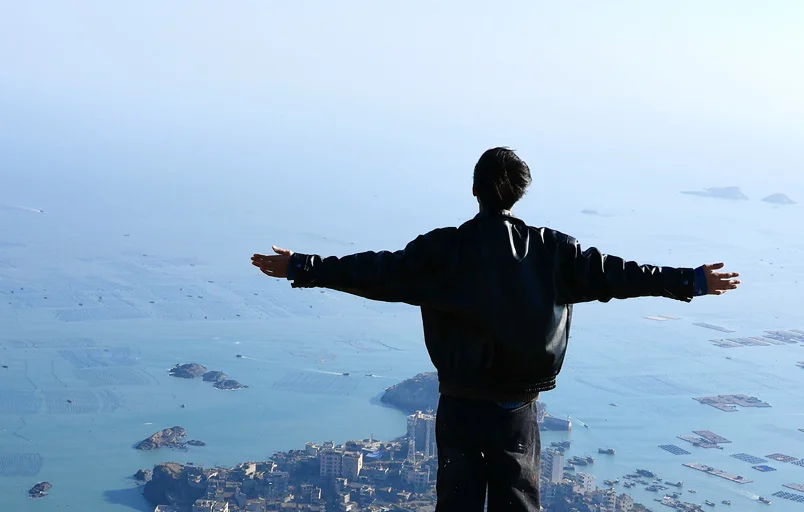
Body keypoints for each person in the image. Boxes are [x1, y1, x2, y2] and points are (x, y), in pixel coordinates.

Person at [251, 147, 740, 512]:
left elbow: (374, 271)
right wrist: (690, 281)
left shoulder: (443, 250)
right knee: (518, 503)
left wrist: (304, 267)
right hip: (516, 406)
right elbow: (621, 275)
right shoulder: (553, 252)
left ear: (474, 190)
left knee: (457, 503)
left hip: (460, 401)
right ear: (520, 193)